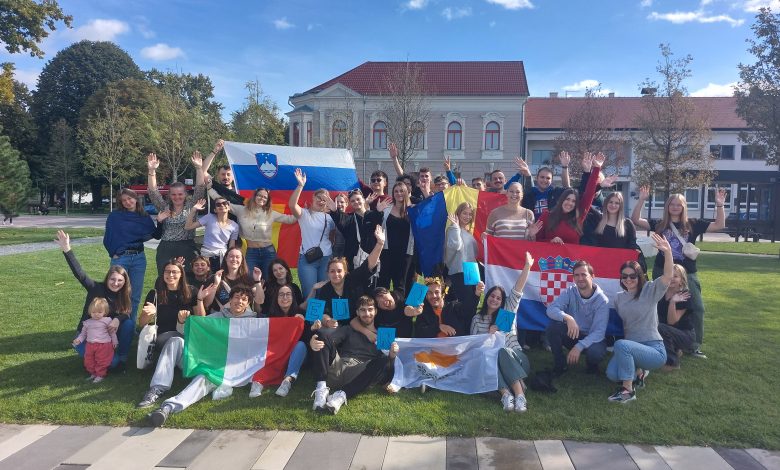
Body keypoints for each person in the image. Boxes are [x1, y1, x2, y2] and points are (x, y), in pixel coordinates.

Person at [631, 186, 727, 358]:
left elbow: (720, 224)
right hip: (663, 271)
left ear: (683, 207)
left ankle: (693, 345)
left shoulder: (693, 224)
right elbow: (636, 219)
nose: (675, 207)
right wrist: (641, 200)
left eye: (679, 205)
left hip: (687, 273)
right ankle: (658, 339)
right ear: (667, 206)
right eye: (672, 204)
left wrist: (719, 205)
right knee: (658, 305)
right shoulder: (660, 224)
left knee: (697, 307)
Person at [146, 286, 258, 426]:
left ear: (248, 304)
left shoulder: (254, 323)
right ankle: (157, 388)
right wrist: (181, 322)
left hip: (222, 369)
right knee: (175, 341)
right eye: (236, 297)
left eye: (244, 299)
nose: (239, 301)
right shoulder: (216, 317)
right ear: (230, 300)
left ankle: (167, 408)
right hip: (202, 359)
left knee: (204, 379)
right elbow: (191, 332)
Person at [606, 233, 674, 403]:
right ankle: (639, 372)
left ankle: (628, 391)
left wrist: (668, 252)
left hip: (654, 349)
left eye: (632, 276)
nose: (628, 279)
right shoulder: (618, 298)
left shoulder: (650, 290)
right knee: (612, 374)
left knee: (621, 345)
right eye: (624, 276)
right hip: (632, 347)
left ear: (640, 276)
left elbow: (668, 276)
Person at [57, 230, 134, 371]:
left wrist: (118, 319)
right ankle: (112, 358)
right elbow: (80, 274)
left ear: (124, 282)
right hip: (87, 335)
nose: (115, 283)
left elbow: (127, 312)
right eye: (112, 279)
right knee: (112, 364)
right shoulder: (95, 288)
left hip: (105, 335)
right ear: (107, 278)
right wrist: (67, 249)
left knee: (128, 324)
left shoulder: (123, 294)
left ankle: (122, 357)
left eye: (120, 280)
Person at [309, 296, 399, 414]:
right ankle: (321, 388)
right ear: (357, 312)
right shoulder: (349, 329)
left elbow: (387, 373)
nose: (367, 313)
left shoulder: (383, 335)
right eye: (362, 310)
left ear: (376, 311)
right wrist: (313, 341)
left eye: (370, 309)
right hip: (338, 367)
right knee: (323, 335)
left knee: (384, 359)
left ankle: (341, 395)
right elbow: (329, 339)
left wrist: (392, 356)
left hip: (359, 373)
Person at [472, 252, 534, 412]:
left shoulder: (506, 312)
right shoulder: (477, 319)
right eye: (492, 296)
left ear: (502, 302)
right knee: (488, 357)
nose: (494, 299)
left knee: (502, 351)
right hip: (491, 362)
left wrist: (527, 266)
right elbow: (475, 346)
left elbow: (517, 291)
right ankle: (506, 395)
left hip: (517, 360)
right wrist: (488, 336)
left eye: (498, 298)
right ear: (487, 297)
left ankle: (520, 396)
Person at [136, 259, 197, 408]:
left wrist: (184, 319)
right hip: (164, 338)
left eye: (174, 272)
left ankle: (162, 383)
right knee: (175, 341)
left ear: (181, 274)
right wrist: (149, 314)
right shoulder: (155, 294)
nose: (170, 275)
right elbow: (142, 323)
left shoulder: (191, 292)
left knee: (177, 341)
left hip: (188, 340)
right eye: (167, 271)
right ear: (162, 274)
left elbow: (200, 320)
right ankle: (157, 387)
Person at [209, 184, 298, 276]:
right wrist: (209, 189)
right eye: (259, 195)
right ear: (254, 196)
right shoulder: (241, 210)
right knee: (250, 278)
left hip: (268, 252)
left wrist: (302, 211)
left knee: (269, 278)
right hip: (251, 252)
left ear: (267, 200)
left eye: (265, 197)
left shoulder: (271, 214)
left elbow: (290, 219)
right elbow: (222, 202)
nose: (262, 198)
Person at [545, 260, 609, 375]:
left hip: (593, 338)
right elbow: (551, 309)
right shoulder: (570, 291)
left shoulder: (602, 300)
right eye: (576, 275)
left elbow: (599, 332)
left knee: (595, 353)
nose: (580, 278)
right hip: (574, 334)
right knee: (553, 327)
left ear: (592, 276)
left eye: (584, 274)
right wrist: (568, 318)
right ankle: (560, 364)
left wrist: (579, 347)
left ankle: (592, 366)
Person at [147, 151, 206, 275]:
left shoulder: (192, 206)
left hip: (187, 248)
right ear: (169, 195)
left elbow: (200, 187)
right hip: (166, 249)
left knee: (188, 279)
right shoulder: (164, 207)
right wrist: (152, 170)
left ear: (185, 194)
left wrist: (199, 168)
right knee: (166, 279)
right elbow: (153, 191)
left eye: (180, 194)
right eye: (173, 194)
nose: (177, 197)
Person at [103, 187, 156, 320]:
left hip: (139, 258)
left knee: (135, 296)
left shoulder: (143, 216)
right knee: (116, 292)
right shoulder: (115, 216)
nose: (127, 202)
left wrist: (160, 221)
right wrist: (113, 253)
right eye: (124, 200)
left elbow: (154, 233)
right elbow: (108, 236)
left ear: (135, 198)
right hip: (121, 258)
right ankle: (113, 323)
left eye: (130, 198)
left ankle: (129, 326)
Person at [313, 225, 384, 323]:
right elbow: (322, 313)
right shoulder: (326, 289)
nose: (336, 274)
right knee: (326, 330)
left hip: (359, 322)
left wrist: (380, 243)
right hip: (336, 327)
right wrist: (328, 321)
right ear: (328, 273)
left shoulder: (353, 278)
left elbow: (369, 265)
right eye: (332, 271)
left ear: (345, 272)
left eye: (339, 271)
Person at [250, 285, 307, 398]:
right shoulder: (271, 316)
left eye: (288, 294)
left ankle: (287, 381)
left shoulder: (301, 314)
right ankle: (258, 382)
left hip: (294, 355)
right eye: (281, 295)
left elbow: (307, 338)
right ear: (276, 298)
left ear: (293, 297)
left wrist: (303, 324)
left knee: (301, 345)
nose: (285, 297)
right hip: (276, 354)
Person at [534, 153, 603, 245]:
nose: (570, 203)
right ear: (561, 200)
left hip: (572, 255)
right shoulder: (546, 216)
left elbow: (589, 193)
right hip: (548, 254)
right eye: (567, 199)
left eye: (573, 201)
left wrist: (596, 168)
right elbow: (537, 241)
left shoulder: (579, 216)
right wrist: (551, 241)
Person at [289, 168, 337, 296]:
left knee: (324, 293)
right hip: (307, 259)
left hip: (326, 258)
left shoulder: (330, 218)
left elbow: (333, 236)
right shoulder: (304, 214)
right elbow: (292, 205)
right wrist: (300, 185)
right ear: (313, 197)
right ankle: (310, 311)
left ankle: (323, 311)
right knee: (310, 293)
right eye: (318, 197)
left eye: (324, 199)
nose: (321, 201)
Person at [582, 191, 645, 270]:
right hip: (600, 264)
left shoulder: (628, 224)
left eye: (617, 203)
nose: (613, 205)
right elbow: (585, 203)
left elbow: (631, 244)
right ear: (606, 203)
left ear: (620, 206)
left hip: (620, 266)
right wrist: (597, 187)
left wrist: (635, 250)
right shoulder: (597, 220)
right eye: (610, 202)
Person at [405, 276, 484, 338]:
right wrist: (439, 327)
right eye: (430, 293)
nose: (433, 296)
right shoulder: (423, 311)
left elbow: (468, 309)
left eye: (437, 292)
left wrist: (477, 293)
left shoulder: (453, 307)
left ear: (443, 294)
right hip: (431, 352)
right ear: (426, 296)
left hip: (454, 352)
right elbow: (421, 332)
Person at [377, 182, 416, 296]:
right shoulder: (386, 209)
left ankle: (401, 306)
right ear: (393, 194)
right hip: (387, 252)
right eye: (396, 191)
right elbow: (375, 223)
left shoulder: (413, 210)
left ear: (406, 193)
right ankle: (382, 305)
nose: (399, 193)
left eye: (401, 191)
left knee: (401, 284)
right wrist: (378, 211)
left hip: (406, 253)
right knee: (383, 282)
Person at [330, 189, 383, 271]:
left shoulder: (373, 215)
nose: (356, 202)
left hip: (372, 258)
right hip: (353, 261)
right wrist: (334, 211)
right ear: (350, 203)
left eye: (358, 199)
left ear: (363, 200)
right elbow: (340, 220)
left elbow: (379, 225)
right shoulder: (348, 218)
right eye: (353, 201)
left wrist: (379, 212)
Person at [200, 247, 264, 313]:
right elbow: (206, 304)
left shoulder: (248, 279)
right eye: (231, 256)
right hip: (221, 317)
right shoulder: (215, 277)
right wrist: (215, 285)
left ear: (242, 260)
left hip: (243, 318)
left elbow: (260, 301)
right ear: (226, 258)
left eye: (237, 257)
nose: (234, 259)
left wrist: (257, 281)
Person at [657, 264, 695, 371]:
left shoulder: (685, 296)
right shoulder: (661, 293)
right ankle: (675, 349)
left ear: (682, 280)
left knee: (661, 328)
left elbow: (672, 322)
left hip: (685, 334)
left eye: (676, 276)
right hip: (670, 332)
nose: (672, 278)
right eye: (669, 275)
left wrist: (672, 302)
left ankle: (672, 363)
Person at [184, 197, 239, 272]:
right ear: (215, 210)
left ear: (228, 207)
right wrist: (193, 210)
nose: (222, 205)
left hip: (222, 256)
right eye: (218, 204)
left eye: (224, 203)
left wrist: (230, 259)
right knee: (205, 277)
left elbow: (231, 246)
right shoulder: (209, 217)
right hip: (206, 255)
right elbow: (188, 227)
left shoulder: (234, 226)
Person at [445, 203, 480, 314]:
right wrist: (455, 227)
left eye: (470, 214)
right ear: (458, 214)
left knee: (473, 302)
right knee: (465, 302)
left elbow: (474, 253)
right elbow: (456, 246)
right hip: (459, 271)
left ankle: (471, 323)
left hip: (471, 270)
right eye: (465, 213)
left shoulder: (469, 232)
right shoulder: (452, 229)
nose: (467, 216)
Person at [72, 297, 118, 383]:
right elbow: (83, 334)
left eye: (99, 312)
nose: (96, 314)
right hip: (90, 345)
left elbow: (112, 333)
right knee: (89, 360)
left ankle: (100, 375)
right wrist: (78, 340)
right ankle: (93, 373)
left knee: (102, 361)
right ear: (90, 312)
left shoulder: (107, 321)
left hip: (104, 345)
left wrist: (115, 342)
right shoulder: (87, 322)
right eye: (94, 312)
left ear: (105, 312)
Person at [514, 153, 572, 217]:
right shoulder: (529, 193)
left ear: (551, 180)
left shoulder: (556, 192)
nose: (544, 180)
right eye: (542, 177)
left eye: (548, 178)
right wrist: (527, 173)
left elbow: (567, 189)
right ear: (537, 178)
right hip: (532, 223)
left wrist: (565, 167)